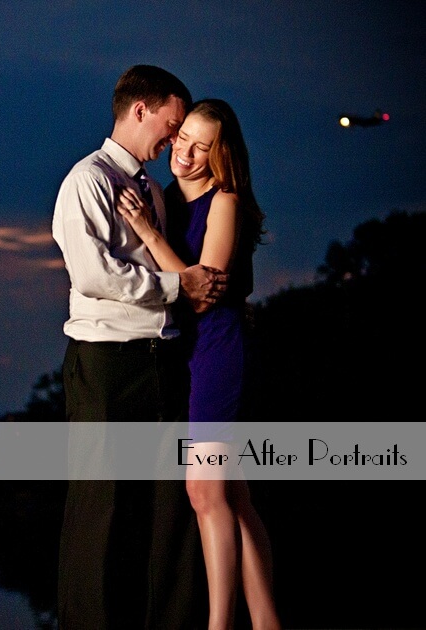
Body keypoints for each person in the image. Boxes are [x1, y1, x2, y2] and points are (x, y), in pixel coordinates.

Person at [52, 65, 227, 630]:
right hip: (107, 362)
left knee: (167, 513)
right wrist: (180, 286)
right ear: (140, 110)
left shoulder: (150, 188)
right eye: (172, 125)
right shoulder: (87, 180)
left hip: (162, 359)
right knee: (102, 509)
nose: (173, 140)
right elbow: (95, 276)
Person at [116, 98, 281, 629]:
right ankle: (267, 621)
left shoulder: (224, 200)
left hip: (215, 352)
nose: (184, 152)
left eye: (200, 146)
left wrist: (148, 234)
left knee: (205, 490)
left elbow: (203, 293)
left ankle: (218, 625)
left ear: (219, 155)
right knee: (233, 495)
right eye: (182, 137)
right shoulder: (163, 198)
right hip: (180, 354)